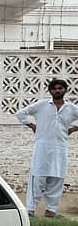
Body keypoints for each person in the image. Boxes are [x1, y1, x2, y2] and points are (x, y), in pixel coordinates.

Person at [16, 79, 78, 218]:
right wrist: (32, 126)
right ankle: (30, 211)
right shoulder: (42, 105)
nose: (57, 90)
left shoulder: (71, 108)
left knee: (57, 178)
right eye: (54, 88)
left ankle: (51, 211)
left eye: (60, 88)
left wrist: (73, 129)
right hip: (42, 148)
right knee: (37, 178)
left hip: (60, 148)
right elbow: (21, 113)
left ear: (65, 90)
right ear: (50, 91)